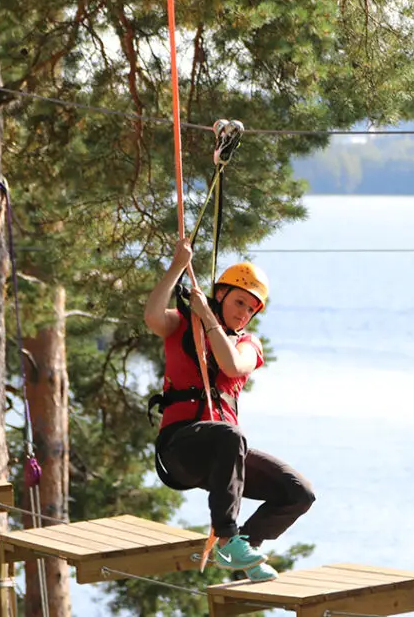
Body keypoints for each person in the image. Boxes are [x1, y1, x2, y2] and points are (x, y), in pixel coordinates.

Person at [144, 238, 315, 582]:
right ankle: (227, 536)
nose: (244, 313)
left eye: (251, 309)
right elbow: (151, 316)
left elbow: (233, 366)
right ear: (220, 294)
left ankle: (242, 555)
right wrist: (178, 265)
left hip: (223, 453)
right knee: (229, 436)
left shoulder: (248, 344)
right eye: (239, 302)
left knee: (298, 493)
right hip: (181, 447)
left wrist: (209, 318)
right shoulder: (181, 325)